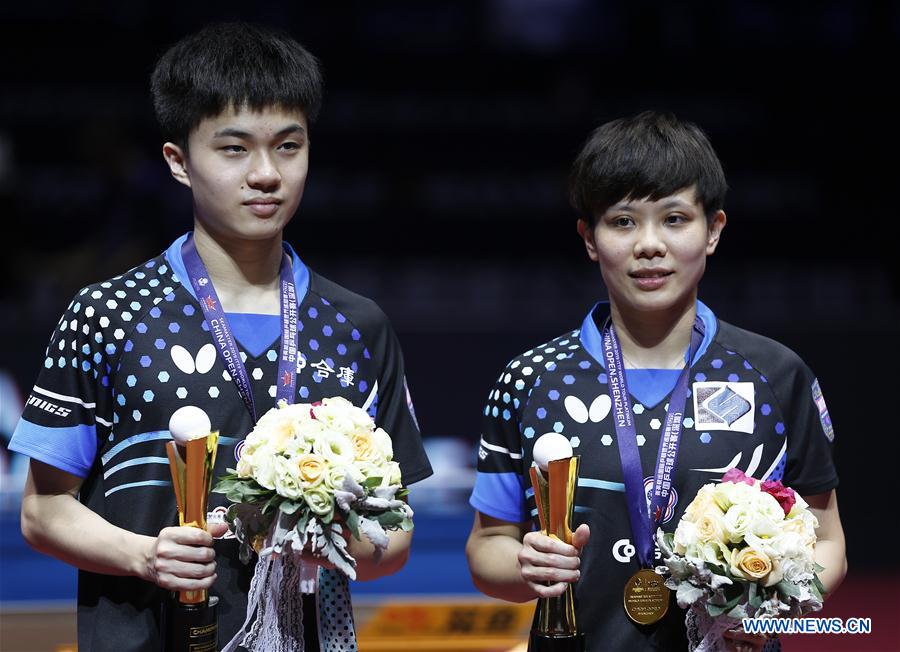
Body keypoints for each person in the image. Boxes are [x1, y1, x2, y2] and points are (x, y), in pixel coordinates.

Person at [9, 21, 432, 652]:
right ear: (178, 162)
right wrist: (144, 555)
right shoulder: (108, 314)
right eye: (234, 149)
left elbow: (393, 541)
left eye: (289, 146)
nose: (267, 173)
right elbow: (42, 512)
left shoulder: (357, 325)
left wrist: (326, 540)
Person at [465, 111, 846, 651]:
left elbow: (828, 544)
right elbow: (487, 548)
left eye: (674, 219)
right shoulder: (531, 379)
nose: (649, 244)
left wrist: (768, 617)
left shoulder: (776, 375)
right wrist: (524, 565)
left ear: (713, 230)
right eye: (623, 221)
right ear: (589, 238)